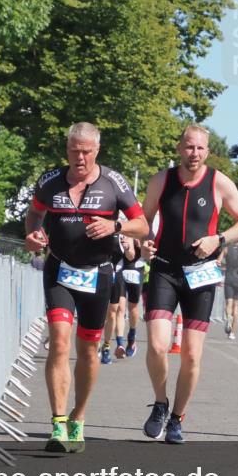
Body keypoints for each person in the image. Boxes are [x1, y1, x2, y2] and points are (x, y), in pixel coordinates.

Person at [25, 122, 149, 453]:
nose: (79, 157)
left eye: (86, 151)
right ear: (66, 150)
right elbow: (34, 215)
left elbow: (142, 224)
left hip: (98, 274)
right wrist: (33, 234)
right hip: (60, 269)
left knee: (88, 350)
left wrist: (116, 224)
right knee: (60, 341)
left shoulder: (113, 182)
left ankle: (78, 417)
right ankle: (58, 423)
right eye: (74, 150)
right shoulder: (50, 182)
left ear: (97, 151)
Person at [140, 125, 238, 444]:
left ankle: (177, 418)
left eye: (201, 149)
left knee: (191, 355)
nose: (195, 154)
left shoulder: (218, 183)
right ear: (179, 148)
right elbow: (143, 221)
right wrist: (144, 243)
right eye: (189, 147)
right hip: (164, 269)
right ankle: (160, 404)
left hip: (201, 274)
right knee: (158, 345)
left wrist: (217, 239)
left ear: (208, 151)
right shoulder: (161, 180)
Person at [101, 232, 128, 364]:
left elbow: (131, 255)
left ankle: (107, 346)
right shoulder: (97, 228)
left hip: (116, 275)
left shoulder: (124, 232)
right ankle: (91, 344)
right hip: (98, 273)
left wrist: (128, 247)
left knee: (113, 312)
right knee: (97, 313)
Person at [119, 235, 144, 357]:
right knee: (120, 308)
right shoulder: (117, 223)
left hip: (135, 269)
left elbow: (132, 255)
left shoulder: (140, 224)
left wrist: (131, 245)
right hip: (120, 269)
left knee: (133, 308)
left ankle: (132, 334)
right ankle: (119, 343)